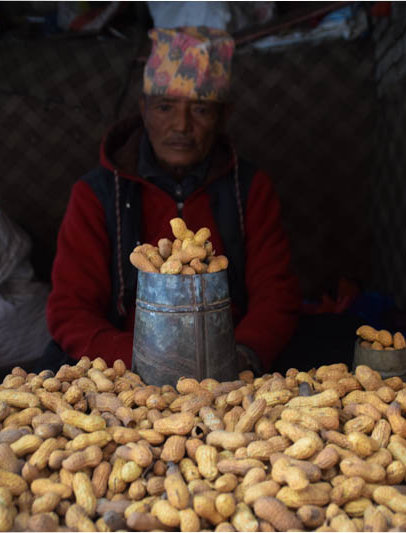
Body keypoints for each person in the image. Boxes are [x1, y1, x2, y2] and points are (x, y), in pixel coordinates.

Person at [45, 26, 300, 375]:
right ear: (144, 109)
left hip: (229, 367)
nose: (181, 126)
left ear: (222, 116)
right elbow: (69, 310)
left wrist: (238, 356)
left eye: (200, 110)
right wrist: (142, 364)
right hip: (123, 369)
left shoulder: (250, 189)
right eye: (166, 107)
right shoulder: (97, 194)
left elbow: (276, 296)